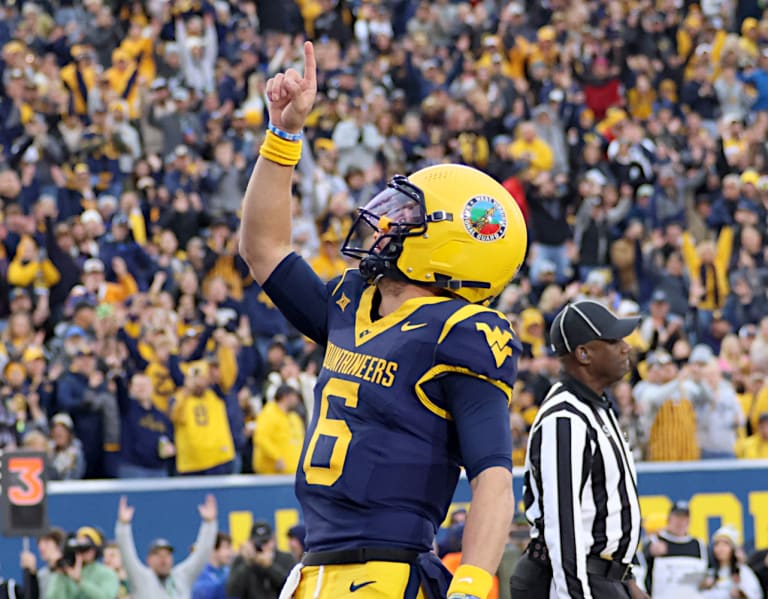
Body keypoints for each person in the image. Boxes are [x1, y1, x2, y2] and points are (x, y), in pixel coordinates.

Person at [238, 42, 527, 599]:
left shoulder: (461, 332)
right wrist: (283, 136)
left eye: (406, 219)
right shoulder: (350, 302)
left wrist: (470, 582)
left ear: (449, 245)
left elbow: (492, 475)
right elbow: (264, 248)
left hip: (388, 574)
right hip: (313, 570)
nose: (383, 225)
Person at [510, 299, 649, 598]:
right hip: (574, 579)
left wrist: (628, 579)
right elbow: (565, 526)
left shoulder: (597, 406)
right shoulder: (565, 417)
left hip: (602, 576)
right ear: (583, 353)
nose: (626, 347)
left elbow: (609, 508)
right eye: (613, 341)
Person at [115, 494, 218, 599]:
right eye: (158, 555)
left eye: (167, 555)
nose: (163, 559)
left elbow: (201, 556)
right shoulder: (141, 579)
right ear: (148, 560)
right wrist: (123, 525)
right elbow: (127, 555)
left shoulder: (181, 577)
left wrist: (209, 524)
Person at [642, 501, 708, 598]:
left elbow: (711, 572)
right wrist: (649, 552)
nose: (680, 522)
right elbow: (640, 568)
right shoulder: (655, 541)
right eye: (677, 517)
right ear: (669, 519)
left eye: (684, 518)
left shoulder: (699, 545)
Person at [225, 521, 296, 599]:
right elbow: (232, 591)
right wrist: (249, 563)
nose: (262, 547)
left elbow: (290, 587)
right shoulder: (241, 560)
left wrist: (269, 566)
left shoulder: (286, 558)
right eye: (258, 543)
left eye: (266, 542)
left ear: (273, 540)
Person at [45, 527, 119, 599]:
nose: (82, 551)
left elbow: (106, 597)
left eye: (87, 547)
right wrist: (59, 573)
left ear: (96, 550)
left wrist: (80, 582)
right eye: (79, 548)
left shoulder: (107, 574)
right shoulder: (67, 572)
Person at [699, 526, 763, 599]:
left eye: (725, 544)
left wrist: (741, 595)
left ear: (733, 548)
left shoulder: (743, 572)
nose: (720, 548)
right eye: (717, 544)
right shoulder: (709, 573)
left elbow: (755, 595)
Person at [192, 532, 234, 599]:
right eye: (227, 548)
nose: (231, 552)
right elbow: (211, 592)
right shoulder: (199, 574)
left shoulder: (227, 571)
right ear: (213, 550)